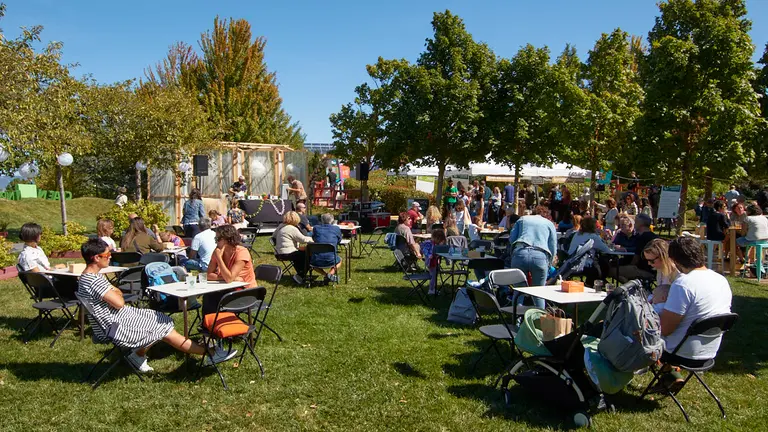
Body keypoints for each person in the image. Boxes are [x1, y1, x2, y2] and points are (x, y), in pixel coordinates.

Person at [77, 239, 236, 372]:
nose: (110, 257)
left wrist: (114, 290)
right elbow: (119, 302)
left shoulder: (86, 278)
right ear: (96, 258)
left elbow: (116, 294)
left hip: (115, 319)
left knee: (161, 318)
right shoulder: (94, 280)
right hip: (115, 326)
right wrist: (116, 291)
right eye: (107, 254)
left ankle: (137, 356)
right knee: (163, 328)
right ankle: (210, 353)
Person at [654, 237, 732, 392]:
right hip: (709, 350)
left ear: (675, 261)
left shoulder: (684, 284)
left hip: (682, 352)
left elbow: (665, 329)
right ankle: (671, 378)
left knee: (639, 331)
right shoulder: (721, 280)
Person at [507, 207, 558, 308]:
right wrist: (550, 262)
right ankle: (538, 320)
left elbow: (512, 238)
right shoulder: (549, 224)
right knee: (539, 293)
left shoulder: (522, 219)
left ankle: (516, 318)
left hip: (520, 253)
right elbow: (553, 246)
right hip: (540, 256)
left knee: (518, 291)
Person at [204, 224, 258, 314]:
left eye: (217, 239)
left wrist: (219, 259)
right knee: (209, 295)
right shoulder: (217, 251)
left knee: (215, 297)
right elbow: (208, 275)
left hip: (247, 292)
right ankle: (209, 324)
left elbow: (229, 279)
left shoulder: (241, 252)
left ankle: (218, 325)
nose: (215, 242)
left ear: (227, 239)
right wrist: (225, 277)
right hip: (230, 288)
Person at [612, 214, 658, 282]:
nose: (634, 224)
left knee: (611, 270)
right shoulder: (654, 236)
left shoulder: (643, 238)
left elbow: (636, 259)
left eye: (636, 222)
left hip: (643, 270)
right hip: (654, 270)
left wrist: (629, 266)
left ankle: (630, 287)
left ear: (641, 224)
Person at [272, 211, 314, 285]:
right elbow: (303, 240)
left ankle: (300, 273)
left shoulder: (280, 226)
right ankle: (300, 275)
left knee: (300, 254)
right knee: (308, 255)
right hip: (288, 253)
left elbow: (273, 236)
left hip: (279, 253)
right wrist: (313, 239)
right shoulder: (292, 228)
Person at [642, 239, 680, 315]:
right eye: (647, 260)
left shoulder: (678, 274)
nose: (649, 263)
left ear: (663, 257)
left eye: (652, 261)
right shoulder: (660, 270)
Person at [310, 213, 343, 283]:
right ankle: (330, 274)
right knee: (340, 260)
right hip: (331, 259)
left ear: (321, 220)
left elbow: (314, 238)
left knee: (312, 264)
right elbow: (339, 240)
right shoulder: (336, 228)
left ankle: (325, 275)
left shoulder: (316, 228)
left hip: (316, 259)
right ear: (332, 220)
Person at [420, 228, 446, 295]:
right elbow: (425, 250)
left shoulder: (435, 244)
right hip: (431, 262)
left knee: (434, 276)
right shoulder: (429, 243)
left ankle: (433, 288)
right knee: (433, 276)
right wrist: (429, 255)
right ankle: (431, 289)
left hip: (435, 262)